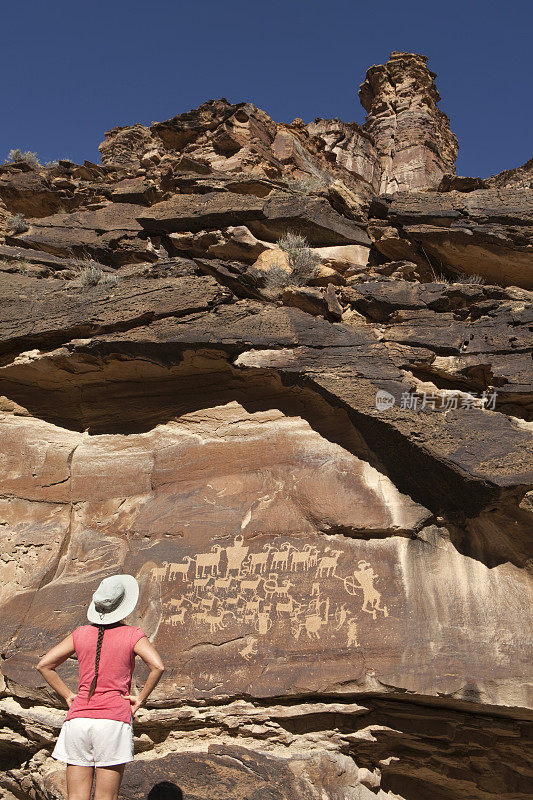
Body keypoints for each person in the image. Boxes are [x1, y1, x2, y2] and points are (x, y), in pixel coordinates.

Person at [35, 574, 165, 800]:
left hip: (78, 721)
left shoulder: (81, 633)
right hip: (112, 722)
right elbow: (157, 666)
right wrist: (140, 698)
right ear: (124, 606)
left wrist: (68, 695)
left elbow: (44, 665)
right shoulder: (132, 634)